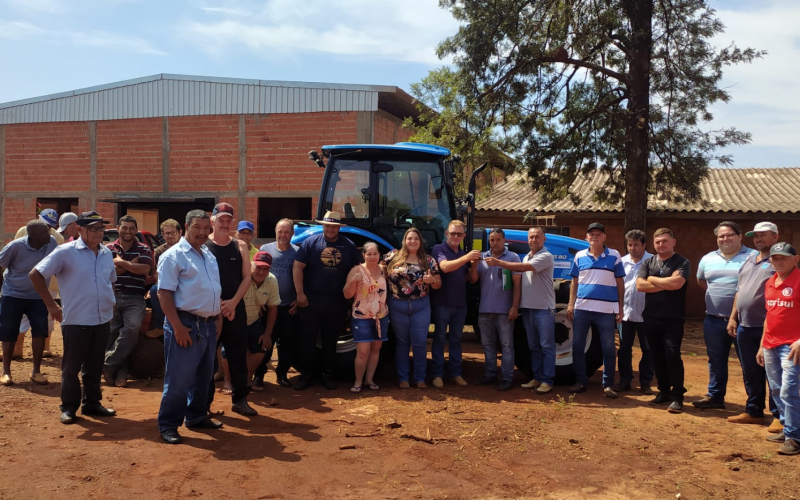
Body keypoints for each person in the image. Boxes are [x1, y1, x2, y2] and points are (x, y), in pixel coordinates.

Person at [30, 211, 117, 425]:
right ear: (79, 229)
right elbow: (36, 274)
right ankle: (69, 407)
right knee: (72, 367)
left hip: (102, 318)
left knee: (95, 365)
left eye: (101, 228)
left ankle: (92, 403)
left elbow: (111, 280)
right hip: (77, 319)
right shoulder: (65, 252)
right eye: (93, 228)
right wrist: (51, 304)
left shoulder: (106, 253)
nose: (99, 233)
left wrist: (109, 302)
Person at [156, 209, 224, 445]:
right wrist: (177, 327)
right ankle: (168, 425)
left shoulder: (208, 255)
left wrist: (217, 319)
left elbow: (214, 291)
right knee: (178, 379)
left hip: (208, 325)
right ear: (186, 227)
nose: (203, 232)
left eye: (207, 228)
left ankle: (196, 416)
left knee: (204, 377)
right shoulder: (174, 256)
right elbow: (163, 294)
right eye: (198, 227)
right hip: (185, 324)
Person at [293, 211, 361, 391]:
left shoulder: (348, 246)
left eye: (334, 226)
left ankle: (327, 376)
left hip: (336, 302)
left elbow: (358, 269)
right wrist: (300, 293)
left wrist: (353, 298)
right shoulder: (311, 242)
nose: (330, 229)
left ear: (339, 227)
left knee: (331, 342)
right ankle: (306, 376)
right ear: (323, 225)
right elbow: (298, 267)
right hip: (311, 302)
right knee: (307, 340)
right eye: (327, 225)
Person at [487, 227, 555, 394]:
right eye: (531, 237)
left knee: (546, 346)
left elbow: (525, 269)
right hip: (529, 309)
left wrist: (498, 263)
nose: (533, 240)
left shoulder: (545, 256)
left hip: (543, 308)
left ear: (544, 239)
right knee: (533, 346)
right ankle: (537, 377)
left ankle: (547, 380)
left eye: (537, 237)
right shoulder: (527, 256)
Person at [204, 202, 257, 416]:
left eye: (228, 220)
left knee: (237, 356)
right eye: (221, 220)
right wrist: (218, 307)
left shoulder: (240, 246)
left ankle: (240, 399)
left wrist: (233, 302)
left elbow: (246, 278)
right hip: (210, 310)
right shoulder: (203, 246)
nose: (224, 224)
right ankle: (204, 404)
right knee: (206, 358)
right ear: (212, 221)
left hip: (235, 308)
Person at [726, 222, 781, 428]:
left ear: (775, 236)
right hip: (745, 326)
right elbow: (740, 291)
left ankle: (779, 416)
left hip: (769, 327)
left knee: (773, 371)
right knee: (750, 370)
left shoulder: (779, 261)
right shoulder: (749, 260)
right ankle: (754, 411)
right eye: (756, 236)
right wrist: (733, 317)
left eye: (763, 235)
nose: (758, 239)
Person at [694, 221, 754, 410]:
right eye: (721, 236)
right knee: (715, 360)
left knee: (749, 362)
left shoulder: (753, 257)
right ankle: (715, 396)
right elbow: (702, 281)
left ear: (740, 236)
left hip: (744, 321)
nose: (725, 239)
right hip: (713, 319)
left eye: (729, 235)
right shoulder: (708, 258)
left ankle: (754, 404)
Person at [566, 222, 625, 398]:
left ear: (604, 237)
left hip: (606, 310)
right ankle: (580, 381)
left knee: (608, 348)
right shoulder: (579, 256)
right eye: (591, 234)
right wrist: (570, 304)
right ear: (586, 237)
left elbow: (620, 283)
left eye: (599, 233)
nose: (595, 236)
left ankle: (608, 385)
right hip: (582, 309)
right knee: (577, 346)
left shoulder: (614, 256)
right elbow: (574, 282)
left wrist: (620, 307)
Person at [636, 228, 691, 414]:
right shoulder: (648, 262)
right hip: (650, 317)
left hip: (672, 319)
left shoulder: (682, 262)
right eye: (658, 242)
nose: (661, 245)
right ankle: (664, 392)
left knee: (672, 356)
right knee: (656, 355)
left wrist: (652, 280)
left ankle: (677, 396)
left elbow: (677, 284)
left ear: (673, 242)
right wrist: (664, 282)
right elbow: (640, 285)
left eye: (665, 241)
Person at [0, 220, 58, 385]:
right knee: (9, 331)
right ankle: (6, 372)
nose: (50, 234)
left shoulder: (51, 243)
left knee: (40, 330)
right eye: (46, 232)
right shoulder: (16, 246)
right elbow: (0, 265)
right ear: (33, 235)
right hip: (13, 294)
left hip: (38, 296)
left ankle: (36, 371)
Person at [757, 242, 800, 456]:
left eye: (783, 257)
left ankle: (795, 437)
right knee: (775, 389)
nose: (778, 261)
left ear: (796, 259)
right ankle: (786, 427)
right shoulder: (771, 282)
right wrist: (761, 345)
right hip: (770, 344)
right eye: (775, 258)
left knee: (789, 390)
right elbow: (770, 316)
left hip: (792, 346)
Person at [385, 227, 441, 389]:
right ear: (404, 241)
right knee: (402, 342)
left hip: (420, 306)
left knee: (420, 343)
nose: (412, 241)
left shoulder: (428, 260)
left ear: (420, 241)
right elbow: (377, 267)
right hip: (397, 304)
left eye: (416, 238)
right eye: (409, 238)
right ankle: (403, 378)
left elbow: (438, 284)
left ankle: (420, 378)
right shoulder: (393, 256)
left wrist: (432, 281)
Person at [104, 215, 153, 388]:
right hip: (112, 294)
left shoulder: (144, 248)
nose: (128, 231)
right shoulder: (108, 248)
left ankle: (106, 365)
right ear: (118, 228)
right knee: (113, 333)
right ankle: (120, 373)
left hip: (135, 297)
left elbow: (145, 269)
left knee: (131, 329)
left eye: (132, 228)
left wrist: (120, 262)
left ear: (136, 230)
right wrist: (130, 265)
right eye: (124, 227)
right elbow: (106, 272)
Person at [430, 220, 480, 388]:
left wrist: (474, 266)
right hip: (442, 303)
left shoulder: (463, 253)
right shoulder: (439, 249)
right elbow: (444, 267)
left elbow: (471, 279)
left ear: (464, 236)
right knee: (439, 339)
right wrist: (467, 258)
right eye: (453, 233)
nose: (455, 236)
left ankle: (456, 373)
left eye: (459, 234)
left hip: (460, 304)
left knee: (456, 340)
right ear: (446, 234)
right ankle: (437, 375)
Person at [10, 208, 64, 360]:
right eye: (44, 223)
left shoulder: (57, 237)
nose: (47, 228)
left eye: (50, 226)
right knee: (21, 316)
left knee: (48, 315)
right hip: (24, 281)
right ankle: (17, 348)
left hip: (48, 282)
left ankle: (46, 347)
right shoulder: (22, 231)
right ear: (38, 218)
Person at [477, 229, 521, 391]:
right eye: (491, 240)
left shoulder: (512, 257)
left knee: (507, 346)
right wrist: (474, 265)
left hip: (505, 311)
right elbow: (474, 279)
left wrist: (515, 306)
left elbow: (517, 284)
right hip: (485, 310)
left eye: (497, 240)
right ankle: (490, 375)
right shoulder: (482, 257)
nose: (494, 243)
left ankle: (507, 378)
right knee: (488, 346)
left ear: (504, 240)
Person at [257, 219, 299, 388]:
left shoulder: (298, 252)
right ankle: (259, 375)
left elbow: (305, 277)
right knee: (265, 342)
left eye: (287, 232)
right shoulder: (265, 250)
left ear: (292, 233)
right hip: (267, 306)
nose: (283, 235)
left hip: (289, 307)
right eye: (280, 231)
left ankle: (282, 374)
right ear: (275, 231)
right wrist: (257, 300)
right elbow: (255, 275)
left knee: (287, 343)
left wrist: (299, 297)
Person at [344, 242, 389, 393]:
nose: (372, 257)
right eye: (368, 254)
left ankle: (369, 379)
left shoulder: (383, 270)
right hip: (361, 317)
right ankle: (358, 381)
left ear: (379, 255)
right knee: (363, 352)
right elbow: (347, 294)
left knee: (376, 350)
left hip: (381, 316)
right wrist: (352, 281)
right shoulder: (356, 270)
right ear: (363, 255)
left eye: (375, 254)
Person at [616, 229, 654, 394]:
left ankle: (645, 382)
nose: (632, 248)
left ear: (644, 245)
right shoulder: (621, 262)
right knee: (624, 348)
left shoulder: (653, 261)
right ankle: (625, 380)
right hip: (625, 313)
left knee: (648, 349)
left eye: (636, 245)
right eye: (629, 245)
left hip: (646, 314)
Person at [243, 252, 280, 391]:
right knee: (230, 351)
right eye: (258, 267)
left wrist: (267, 334)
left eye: (265, 268)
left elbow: (273, 308)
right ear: (251, 265)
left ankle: (246, 378)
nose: (261, 271)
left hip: (253, 320)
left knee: (261, 347)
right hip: (236, 320)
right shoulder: (242, 276)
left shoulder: (272, 280)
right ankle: (229, 382)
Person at [149, 219, 182, 332]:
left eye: (173, 232)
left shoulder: (187, 249)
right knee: (154, 290)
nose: (170, 236)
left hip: (185, 283)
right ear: (162, 234)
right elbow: (157, 274)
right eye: (167, 233)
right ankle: (161, 326)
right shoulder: (159, 251)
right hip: (168, 283)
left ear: (180, 232)